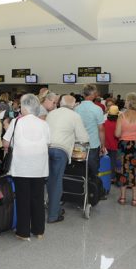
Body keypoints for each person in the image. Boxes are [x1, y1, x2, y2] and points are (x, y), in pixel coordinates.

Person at [3, 94, 50, 240]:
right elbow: (48, 143)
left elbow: (6, 143)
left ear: (24, 107)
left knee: (23, 199)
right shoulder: (44, 123)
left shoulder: (17, 122)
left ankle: (23, 232)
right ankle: (39, 230)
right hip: (39, 167)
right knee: (38, 198)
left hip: (21, 167)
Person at [46, 95, 89, 224]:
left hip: (47, 149)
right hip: (61, 151)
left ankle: (56, 208)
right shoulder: (74, 116)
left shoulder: (51, 113)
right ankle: (53, 215)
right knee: (57, 181)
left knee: (50, 180)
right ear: (74, 105)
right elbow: (84, 138)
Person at [115, 92, 136, 207]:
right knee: (135, 171)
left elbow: (117, 134)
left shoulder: (121, 116)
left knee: (123, 170)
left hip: (123, 146)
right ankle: (135, 199)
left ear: (128, 102)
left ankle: (122, 198)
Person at [75, 84, 105, 177]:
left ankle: (82, 189)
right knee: (93, 171)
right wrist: (103, 145)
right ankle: (93, 189)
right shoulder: (97, 109)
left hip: (78, 144)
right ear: (94, 95)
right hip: (93, 144)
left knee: (80, 170)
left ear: (83, 94)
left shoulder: (76, 109)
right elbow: (101, 130)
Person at [104, 105, 120, 183]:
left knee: (106, 162)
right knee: (113, 162)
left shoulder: (105, 123)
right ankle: (112, 177)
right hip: (115, 146)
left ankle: (106, 176)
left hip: (106, 145)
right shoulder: (118, 124)